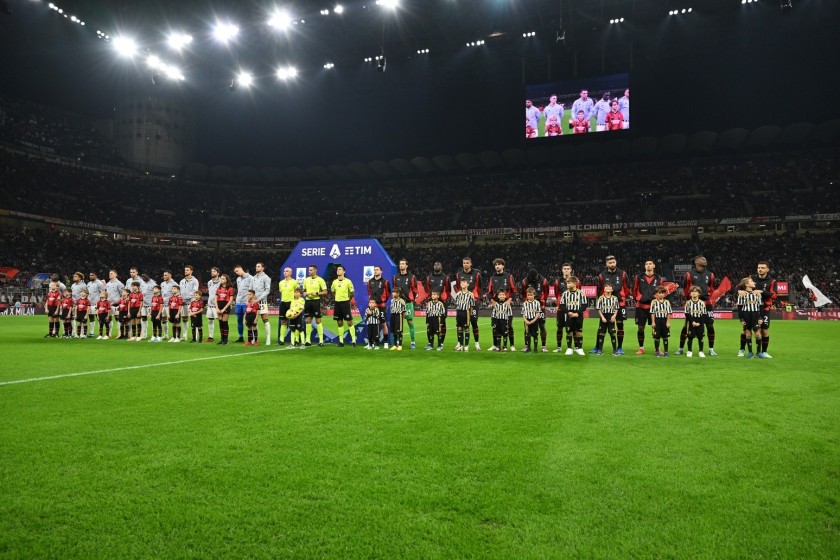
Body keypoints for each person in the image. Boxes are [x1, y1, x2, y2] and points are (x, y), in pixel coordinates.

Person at [676, 256, 717, 356]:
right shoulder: (689, 274)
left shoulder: (710, 274)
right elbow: (686, 289)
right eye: (702, 259)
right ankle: (681, 348)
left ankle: (711, 349)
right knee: (687, 325)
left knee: (710, 325)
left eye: (705, 258)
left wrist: (706, 298)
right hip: (692, 303)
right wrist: (691, 299)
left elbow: (711, 288)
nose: (705, 260)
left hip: (706, 303)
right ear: (696, 262)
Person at [595, 256, 630, 354]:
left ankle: (619, 347)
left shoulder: (622, 274)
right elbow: (599, 290)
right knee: (601, 326)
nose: (612, 264)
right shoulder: (601, 275)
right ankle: (597, 347)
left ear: (616, 262)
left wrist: (620, 297)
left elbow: (627, 288)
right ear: (606, 264)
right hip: (606, 305)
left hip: (619, 303)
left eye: (613, 262)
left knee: (620, 325)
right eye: (610, 263)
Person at [632, 259, 663, 355]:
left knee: (656, 327)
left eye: (650, 264)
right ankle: (641, 348)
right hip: (641, 306)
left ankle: (657, 349)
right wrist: (639, 299)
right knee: (641, 328)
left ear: (654, 266)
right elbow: (634, 290)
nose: (648, 265)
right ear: (644, 266)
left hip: (654, 307)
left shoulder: (659, 278)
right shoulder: (638, 277)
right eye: (646, 264)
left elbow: (661, 291)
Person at [487, 258, 518, 351]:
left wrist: (509, 300)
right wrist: (492, 301)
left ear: (503, 266)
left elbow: (514, 291)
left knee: (509, 326)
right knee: (495, 326)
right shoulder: (492, 278)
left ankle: (512, 345)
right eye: (496, 265)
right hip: (496, 304)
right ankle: (495, 345)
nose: (497, 266)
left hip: (507, 304)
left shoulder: (509, 276)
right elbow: (489, 292)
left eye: (499, 264)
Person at [750, 261, 777, 358]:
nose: (760, 269)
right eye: (758, 267)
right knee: (753, 330)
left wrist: (761, 291)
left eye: (762, 267)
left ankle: (764, 351)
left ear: (767, 269)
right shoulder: (751, 278)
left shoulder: (772, 281)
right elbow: (742, 286)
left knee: (764, 330)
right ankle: (751, 351)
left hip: (765, 309)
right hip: (752, 308)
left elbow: (773, 295)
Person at [455, 257, 482, 350]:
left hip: (472, 302)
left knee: (474, 322)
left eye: (467, 263)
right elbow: (458, 287)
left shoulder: (476, 274)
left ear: (471, 264)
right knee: (459, 324)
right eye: (464, 263)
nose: (465, 264)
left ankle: (476, 343)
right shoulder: (459, 274)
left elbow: (479, 287)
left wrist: (475, 296)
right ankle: (459, 343)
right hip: (463, 303)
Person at [392, 259, 419, 349]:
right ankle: (399, 342)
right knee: (398, 323)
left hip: (407, 303)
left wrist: (411, 299)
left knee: (410, 322)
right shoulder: (396, 277)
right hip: (398, 304)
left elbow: (415, 290)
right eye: (400, 264)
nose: (401, 265)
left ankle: (413, 342)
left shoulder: (412, 277)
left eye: (403, 264)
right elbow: (395, 289)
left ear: (407, 266)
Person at [522, 268, 550, 352]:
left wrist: (541, 301)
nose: (533, 279)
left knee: (542, 326)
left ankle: (543, 346)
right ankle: (527, 345)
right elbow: (524, 293)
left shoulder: (543, 281)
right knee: (527, 326)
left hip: (540, 306)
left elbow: (546, 293)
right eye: (531, 278)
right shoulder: (525, 281)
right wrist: (528, 301)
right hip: (529, 307)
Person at [554, 263, 579, 353]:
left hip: (572, 308)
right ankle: (559, 347)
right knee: (560, 327)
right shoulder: (558, 281)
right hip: (561, 309)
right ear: (562, 270)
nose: (566, 270)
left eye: (568, 268)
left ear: (571, 270)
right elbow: (557, 293)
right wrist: (559, 303)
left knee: (574, 328)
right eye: (565, 269)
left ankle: (576, 347)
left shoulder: (576, 280)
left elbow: (578, 292)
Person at [737, 277, 764, 358]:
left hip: (755, 315)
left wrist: (760, 317)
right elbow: (739, 308)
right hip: (746, 315)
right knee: (748, 333)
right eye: (751, 281)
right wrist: (741, 319)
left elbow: (761, 307)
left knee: (758, 334)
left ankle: (759, 352)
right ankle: (750, 352)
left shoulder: (757, 294)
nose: (754, 282)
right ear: (747, 284)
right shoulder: (742, 294)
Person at [560, 276, 588, 355]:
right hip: (569, 315)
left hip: (578, 315)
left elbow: (584, 305)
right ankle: (569, 348)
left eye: (569, 283)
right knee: (569, 332)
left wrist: (577, 313)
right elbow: (562, 305)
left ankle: (579, 348)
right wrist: (568, 312)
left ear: (575, 283)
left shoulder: (581, 293)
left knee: (579, 332)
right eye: (567, 283)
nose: (567, 284)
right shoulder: (565, 293)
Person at [331, 264, 357, 348]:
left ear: (344, 271)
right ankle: (341, 341)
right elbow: (332, 291)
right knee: (339, 322)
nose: (338, 270)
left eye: (340, 269)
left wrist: (348, 299)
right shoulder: (334, 282)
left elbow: (352, 292)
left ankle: (353, 340)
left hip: (345, 303)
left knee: (349, 321)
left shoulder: (348, 281)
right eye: (337, 269)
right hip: (337, 303)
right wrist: (337, 297)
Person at [426, 262, 450, 348]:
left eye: (438, 265)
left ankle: (441, 343)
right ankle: (430, 343)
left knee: (442, 323)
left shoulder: (445, 277)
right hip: (432, 303)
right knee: (430, 322)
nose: (436, 266)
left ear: (441, 267)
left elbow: (448, 290)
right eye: (435, 265)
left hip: (442, 303)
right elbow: (428, 289)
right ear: (433, 266)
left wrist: (444, 299)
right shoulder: (429, 277)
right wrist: (429, 299)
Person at [303, 264, 328, 346]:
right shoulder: (306, 280)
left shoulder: (320, 280)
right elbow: (303, 291)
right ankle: (308, 340)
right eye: (309, 270)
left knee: (318, 320)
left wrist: (317, 293)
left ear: (315, 270)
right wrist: (305, 293)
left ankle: (321, 340)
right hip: (308, 301)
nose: (309, 271)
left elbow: (325, 292)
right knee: (308, 320)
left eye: (310, 270)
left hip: (316, 301)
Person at [367, 265, 391, 349]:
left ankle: (386, 342)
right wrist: (371, 303)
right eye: (374, 270)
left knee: (383, 323)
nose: (375, 271)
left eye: (377, 270)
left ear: (381, 271)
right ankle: (371, 343)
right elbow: (369, 293)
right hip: (372, 306)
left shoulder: (385, 282)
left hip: (381, 306)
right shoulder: (370, 281)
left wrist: (383, 301)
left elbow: (388, 294)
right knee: (371, 323)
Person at [595, 283, 619, 356]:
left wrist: (614, 316)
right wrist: (602, 317)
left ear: (612, 289)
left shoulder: (615, 298)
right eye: (606, 287)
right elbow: (599, 309)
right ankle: (600, 349)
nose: (608, 288)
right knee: (602, 333)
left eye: (610, 287)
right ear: (604, 289)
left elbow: (616, 308)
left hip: (611, 316)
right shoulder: (601, 298)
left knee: (612, 333)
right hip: (604, 316)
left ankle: (615, 350)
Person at [252, 262, 272, 346]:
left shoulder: (266, 278)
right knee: (253, 321)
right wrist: (250, 298)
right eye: (256, 266)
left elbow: (267, 290)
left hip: (262, 301)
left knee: (265, 319)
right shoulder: (254, 278)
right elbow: (250, 289)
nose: (257, 267)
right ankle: (254, 338)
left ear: (263, 268)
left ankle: (268, 338)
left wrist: (258, 299)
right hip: (253, 301)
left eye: (258, 266)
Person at [684, 287, 708, 358]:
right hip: (691, 322)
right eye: (692, 292)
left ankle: (701, 351)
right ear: (690, 294)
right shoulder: (688, 303)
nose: (693, 293)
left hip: (700, 322)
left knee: (700, 338)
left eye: (695, 291)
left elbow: (704, 314)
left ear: (699, 293)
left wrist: (699, 323)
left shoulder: (702, 303)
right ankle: (689, 351)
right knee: (690, 337)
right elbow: (686, 313)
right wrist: (693, 322)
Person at [277, 267, 298, 345]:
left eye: (287, 271)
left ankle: (295, 340)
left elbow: (297, 293)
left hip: (291, 303)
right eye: (284, 271)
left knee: (293, 321)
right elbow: (281, 291)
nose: (285, 272)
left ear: (291, 273)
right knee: (283, 321)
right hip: (283, 303)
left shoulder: (294, 282)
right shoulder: (281, 283)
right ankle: (281, 339)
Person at [453, 278, 475, 352]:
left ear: (468, 284)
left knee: (466, 328)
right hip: (459, 312)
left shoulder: (470, 294)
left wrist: (470, 313)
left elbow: (472, 305)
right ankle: (461, 345)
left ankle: (466, 346)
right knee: (459, 328)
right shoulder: (458, 293)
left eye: (464, 282)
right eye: (461, 282)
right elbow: (456, 303)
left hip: (466, 312)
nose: (462, 283)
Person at [179, 265, 199, 343]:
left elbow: (195, 292)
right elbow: (180, 292)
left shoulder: (195, 281)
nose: (185, 271)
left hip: (191, 303)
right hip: (183, 303)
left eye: (187, 270)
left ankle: (195, 336)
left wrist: (189, 299)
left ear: (191, 271)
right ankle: (184, 335)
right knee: (184, 319)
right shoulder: (182, 281)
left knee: (194, 320)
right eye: (185, 270)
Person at [650, 287, 672, 357]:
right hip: (657, 320)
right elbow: (652, 313)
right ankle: (657, 351)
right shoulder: (654, 302)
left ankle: (666, 351)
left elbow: (669, 313)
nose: (661, 294)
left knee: (665, 337)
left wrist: (668, 322)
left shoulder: (667, 302)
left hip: (664, 320)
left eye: (662, 293)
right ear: (656, 294)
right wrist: (653, 322)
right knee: (657, 337)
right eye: (659, 293)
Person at [233, 265, 253, 343]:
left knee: (249, 321)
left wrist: (250, 301)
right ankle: (240, 337)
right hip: (238, 302)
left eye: (237, 271)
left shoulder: (250, 278)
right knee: (239, 320)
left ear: (241, 269)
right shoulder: (238, 279)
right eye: (235, 272)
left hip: (246, 302)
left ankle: (251, 338)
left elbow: (252, 291)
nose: (236, 273)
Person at [215, 274, 235, 345]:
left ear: (227, 280)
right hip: (219, 305)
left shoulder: (230, 288)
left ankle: (226, 340)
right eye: (221, 279)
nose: (221, 280)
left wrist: (224, 309)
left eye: (223, 279)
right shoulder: (219, 288)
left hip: (225, 305)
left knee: (224, 322)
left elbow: (231, 300)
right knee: (220, 323)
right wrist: (217, 308)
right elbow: (215, 299)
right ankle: (222, 339)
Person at [521, 288, 542, 353]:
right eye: (528, 295)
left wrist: (534, 320)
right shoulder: (525, 304)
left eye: (531, 295)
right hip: (527, 321)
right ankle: (528, 348)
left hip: (534, 320)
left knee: (535, 335)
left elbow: (538, 313)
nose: (529, 296)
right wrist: (526, 321)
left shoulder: (537, 303)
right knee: (528, 335)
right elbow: (523, 314)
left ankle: (535, 348)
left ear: (534, 295)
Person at [105, 270, 124, 338]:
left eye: (111, 273)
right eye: (109, 273)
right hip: (109, 304)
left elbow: (123, 295)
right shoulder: (108, 284)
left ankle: (119, 333)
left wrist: (118, 302)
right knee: (109, 319)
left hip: (116, 304)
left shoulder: (119, 283)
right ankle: (109, 333)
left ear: (115, 274)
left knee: (118, 319)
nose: (110, 274)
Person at [86, 272, 106, 337]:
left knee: (99, 318)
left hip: (96, 304)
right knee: (91, 318)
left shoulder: (99, 283)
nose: (91, 276)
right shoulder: (88, 283)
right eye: (90, 275)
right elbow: (88, 293)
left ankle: (102, 333)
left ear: (96, 276)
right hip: (90, 304)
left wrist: (101, 302)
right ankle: (91, 332)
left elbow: (103, 292)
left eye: (92, 275)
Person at [159, 270, 178, 340]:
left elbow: (177, 294)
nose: (164, 276)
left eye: (165, 275)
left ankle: (175, 336)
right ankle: (166, 335)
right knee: (163, 320)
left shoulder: (174, 284)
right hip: (163, 305)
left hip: (170, 306)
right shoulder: (162, 284)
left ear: (170, 275)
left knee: (174, 321)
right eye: (164, 275)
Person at [205, 267, 221, 342]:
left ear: (218, 273)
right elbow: (210, 293)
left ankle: (223, 337)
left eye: (214, 271)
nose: (212, 273)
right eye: (211, 271)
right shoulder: (209, 282)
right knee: (210, 320)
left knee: (221, 321)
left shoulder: (221, 281)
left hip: (217, 305)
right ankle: (210, 337)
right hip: (210, 304)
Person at [140, 273, 157, 340]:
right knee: (143, 319)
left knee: (152, 320)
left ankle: (154, 334)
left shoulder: (153, 283)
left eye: (145, 277)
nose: (143, 278)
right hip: (143, 305)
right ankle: (144, 334)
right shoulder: (142, 282)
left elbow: (157, 292)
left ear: (148, 276)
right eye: (142, 277)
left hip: (150, 305)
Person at [70, 272, 86, 338]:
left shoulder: (83, 285)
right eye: (74, 276)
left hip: (80, 305)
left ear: (79, 278)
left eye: (76, 276)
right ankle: (74, 332)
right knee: (73, 318)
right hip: (73, 304)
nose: (74, 277)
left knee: (81, 319)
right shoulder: (73, 285)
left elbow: (86, 295)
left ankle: (82, 334)